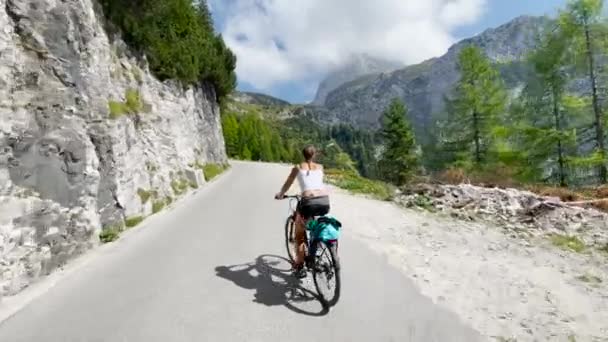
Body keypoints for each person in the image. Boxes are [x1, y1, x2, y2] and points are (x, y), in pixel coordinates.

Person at [275, 145, 330, 278]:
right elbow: (315, 182)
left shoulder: (298, 168)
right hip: (324, 202)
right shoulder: (321, 167)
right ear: (314, 155)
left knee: (299, 235)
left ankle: (299, 266)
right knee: (312, 224)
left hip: (308, 202)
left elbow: (288, 183)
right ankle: (316, 248)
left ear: (303, 155)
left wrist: (281, 194)